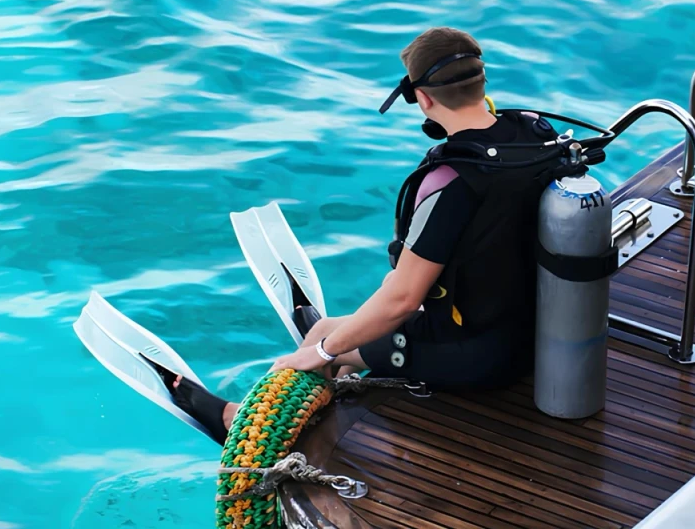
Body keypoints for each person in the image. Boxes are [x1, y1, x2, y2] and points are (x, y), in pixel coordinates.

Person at [154, 27, 560, 444]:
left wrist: (323, 353)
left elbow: (403, 300)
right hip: (540, 332)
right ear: (481, 81)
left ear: (422, 98)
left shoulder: (451, 180)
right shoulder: (537, 135)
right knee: (328, 330)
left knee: (312, 352)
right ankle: (329, 360)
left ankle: (241, 424)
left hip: (478, 355)